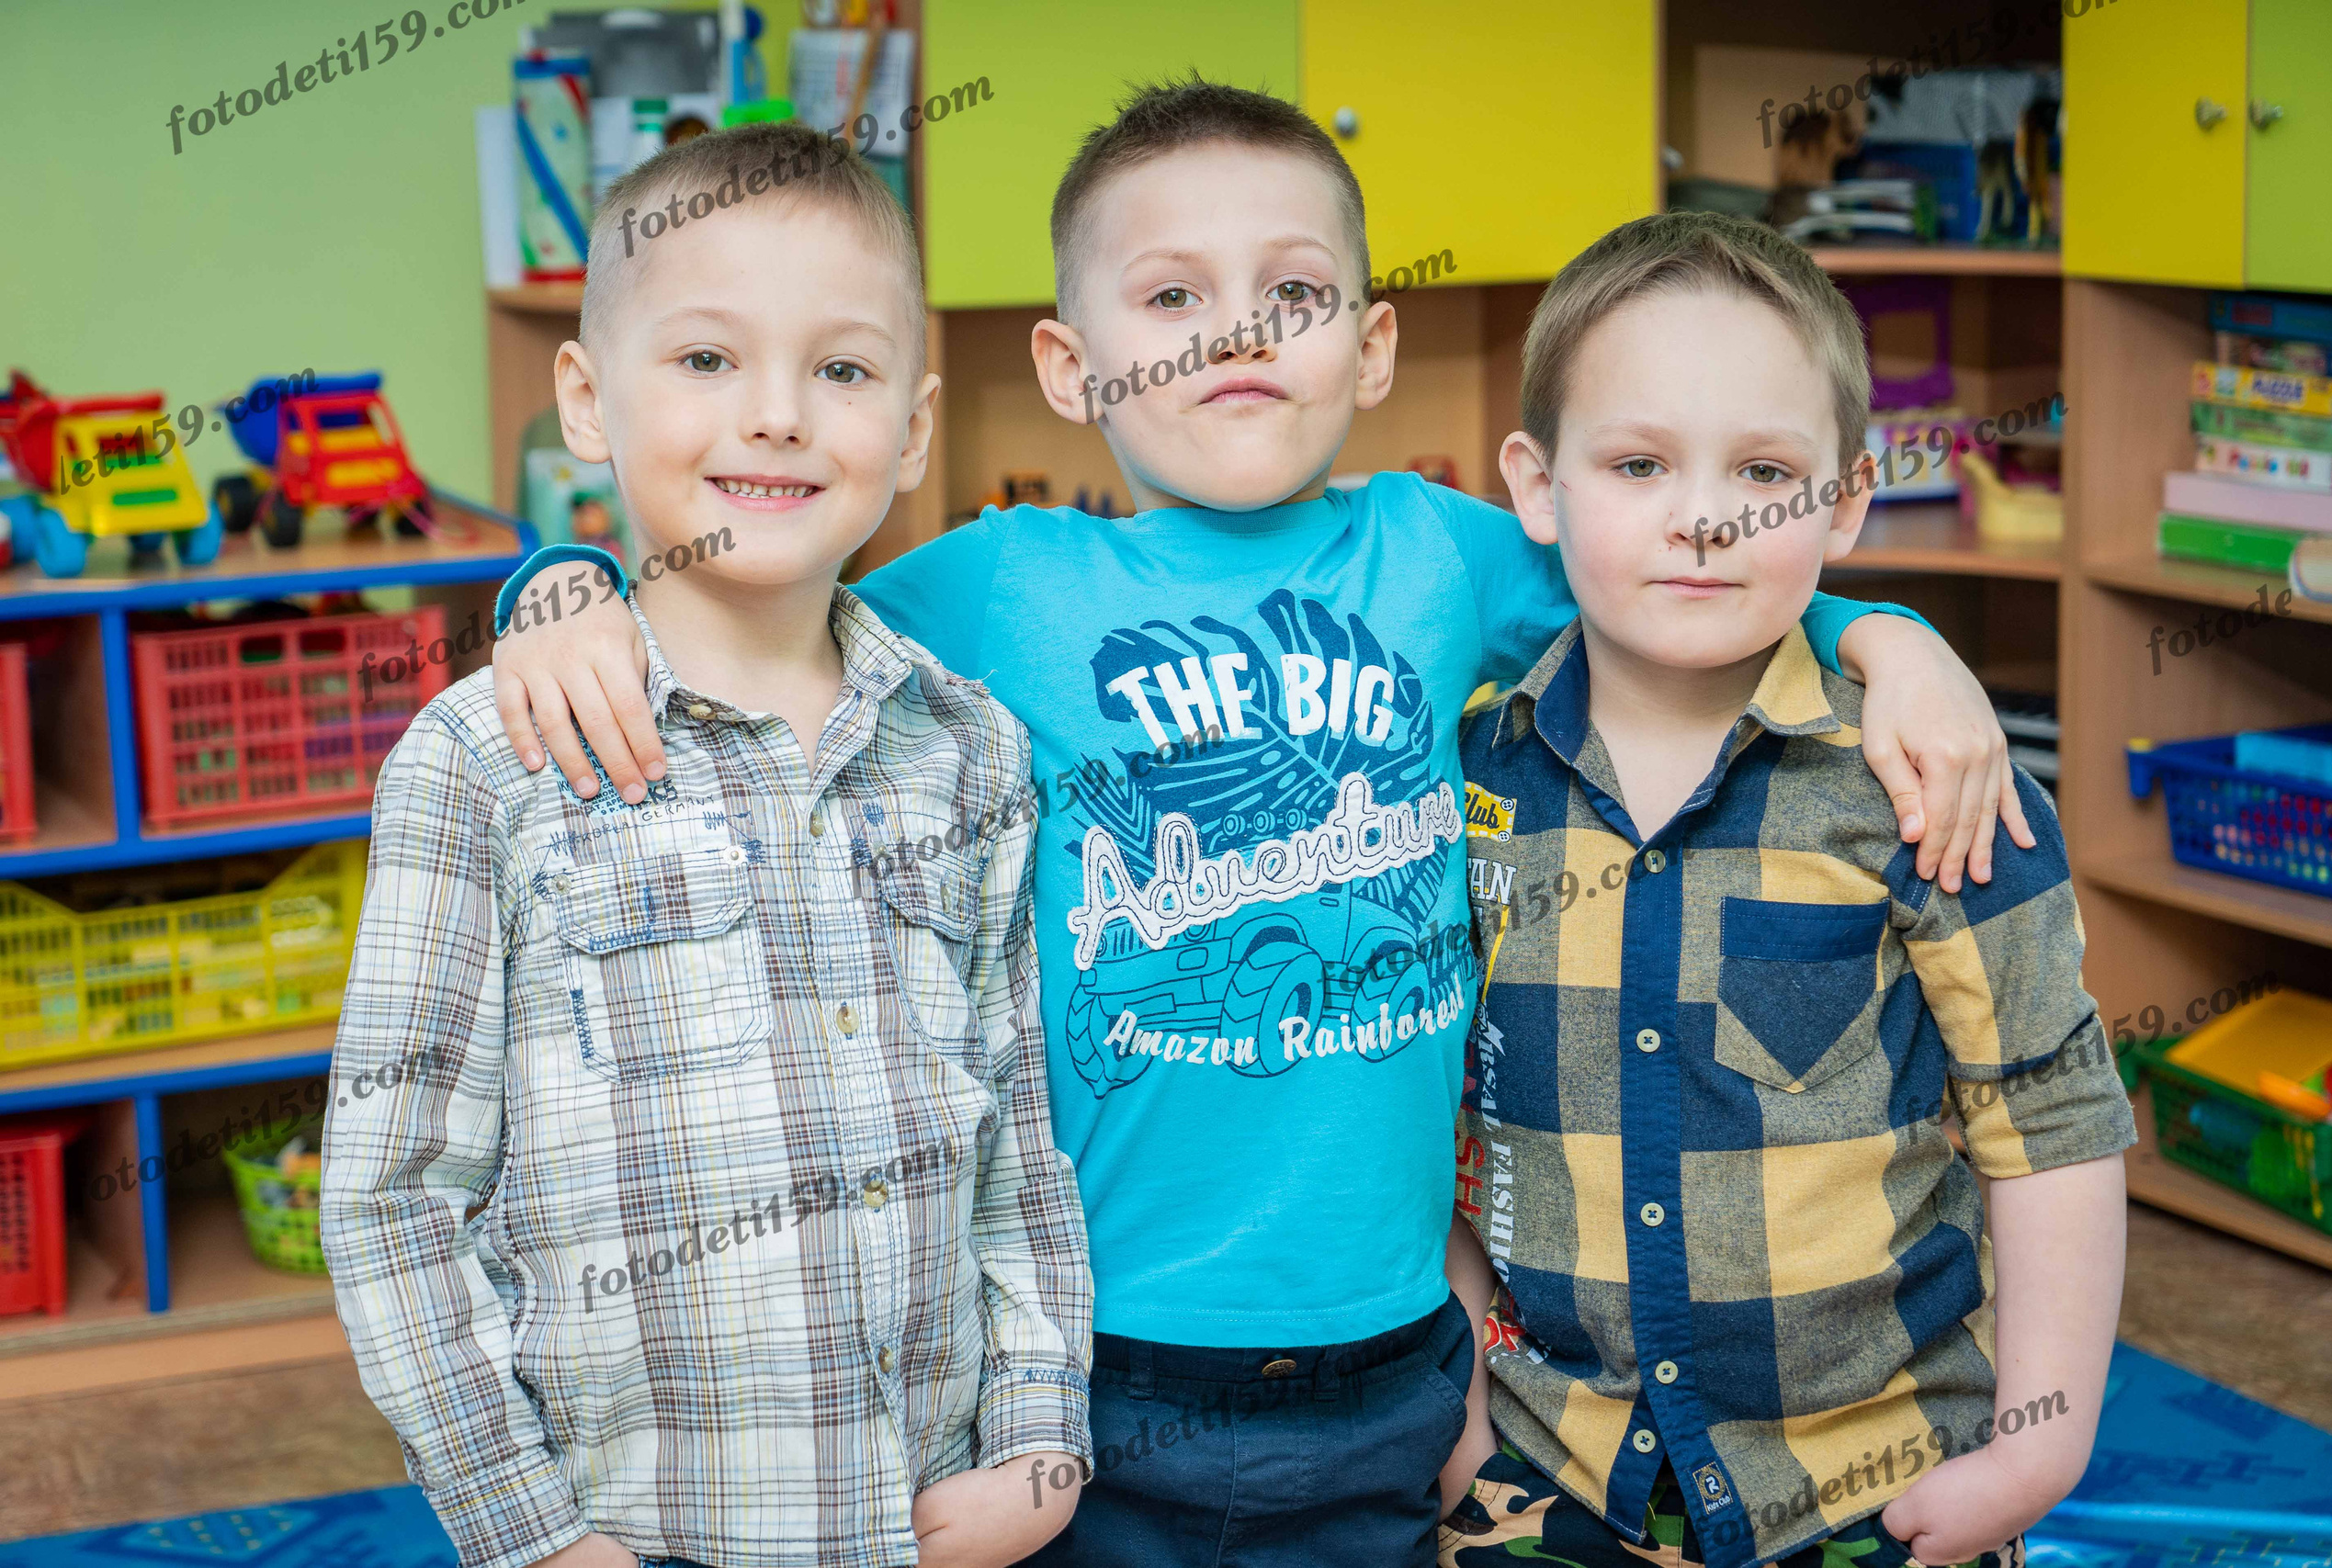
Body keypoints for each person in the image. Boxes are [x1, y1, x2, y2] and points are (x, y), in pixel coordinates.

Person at [480, 82, 2032, 1566]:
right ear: (1070, 368)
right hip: (1096, 1362)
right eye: (1170, 299)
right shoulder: (1001, 583)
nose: (1233, 331)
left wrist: (1888, 631)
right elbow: (746, 596)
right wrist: (557, 592)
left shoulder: (1443, 554)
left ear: (1367, 349)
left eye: (1289, 294)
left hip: (1394, 1353)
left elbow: (1683, 561)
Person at [320, 122, 1090, 1568]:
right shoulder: (486, 757)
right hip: (633, 1533)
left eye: (843, 370)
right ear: (587, 398)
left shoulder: (971, 748)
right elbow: (391, 1192)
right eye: (706, 360)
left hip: (933, 1521)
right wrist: (534, 1536)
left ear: (915, 429)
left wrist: (1043, 1441)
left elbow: (1021, 1142)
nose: (780, 415)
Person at [1443, 211, 2133, 1568]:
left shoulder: (1932, 783)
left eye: (1764, 470)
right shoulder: (1468, 776)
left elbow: (2048, 1114)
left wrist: (2043, 1440)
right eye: (1638, 463)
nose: (1704, 517)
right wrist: (1463, 1431)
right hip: (1542, 1472)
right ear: (1537, 486)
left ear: (1846, 502)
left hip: (1873, 1482)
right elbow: (1432, 1125)